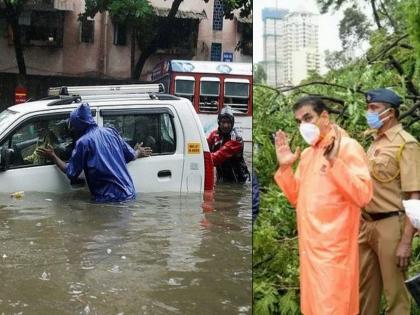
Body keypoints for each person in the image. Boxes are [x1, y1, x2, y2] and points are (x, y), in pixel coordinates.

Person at [274, 96, 372, 315]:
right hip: (309, 251)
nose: (303, 126)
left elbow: (363, 195)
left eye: (308, 118)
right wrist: (285, 168)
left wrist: (335, 163)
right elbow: (297, 197)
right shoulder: (308, 154)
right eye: (299, 121)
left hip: (334, 253)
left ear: (325, 117)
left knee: (333, 308)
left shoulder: (347, 147)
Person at [359, 88, 420, 315]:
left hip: (391, 226)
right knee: (365, 293)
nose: (369, 112)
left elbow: (415, 195)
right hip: (366, 225)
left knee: (395, 296)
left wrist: (406, 241)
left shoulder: (406, 144)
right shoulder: (374, 142)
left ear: (390, 112)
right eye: (368, 108)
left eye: (374, 108)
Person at [38, 103, 152, 202]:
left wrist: (53, 156)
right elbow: (130, 155)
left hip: (108, 200)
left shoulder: (83, 143)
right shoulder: (110, 132)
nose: (72, 130)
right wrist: (138, 151)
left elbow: (71, 172)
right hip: (129, 194)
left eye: (72, 126)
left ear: (78, 125)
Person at [207, 106, 250, 183]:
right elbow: (204, 149)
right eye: (223, 122)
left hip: (239, 182)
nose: (226, 125)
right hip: (222, 180)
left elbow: (216, 158)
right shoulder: (214, 135)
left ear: (232, 123)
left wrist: (201, 158)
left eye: (228, 122)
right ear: (219, 123)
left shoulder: (237, 140)